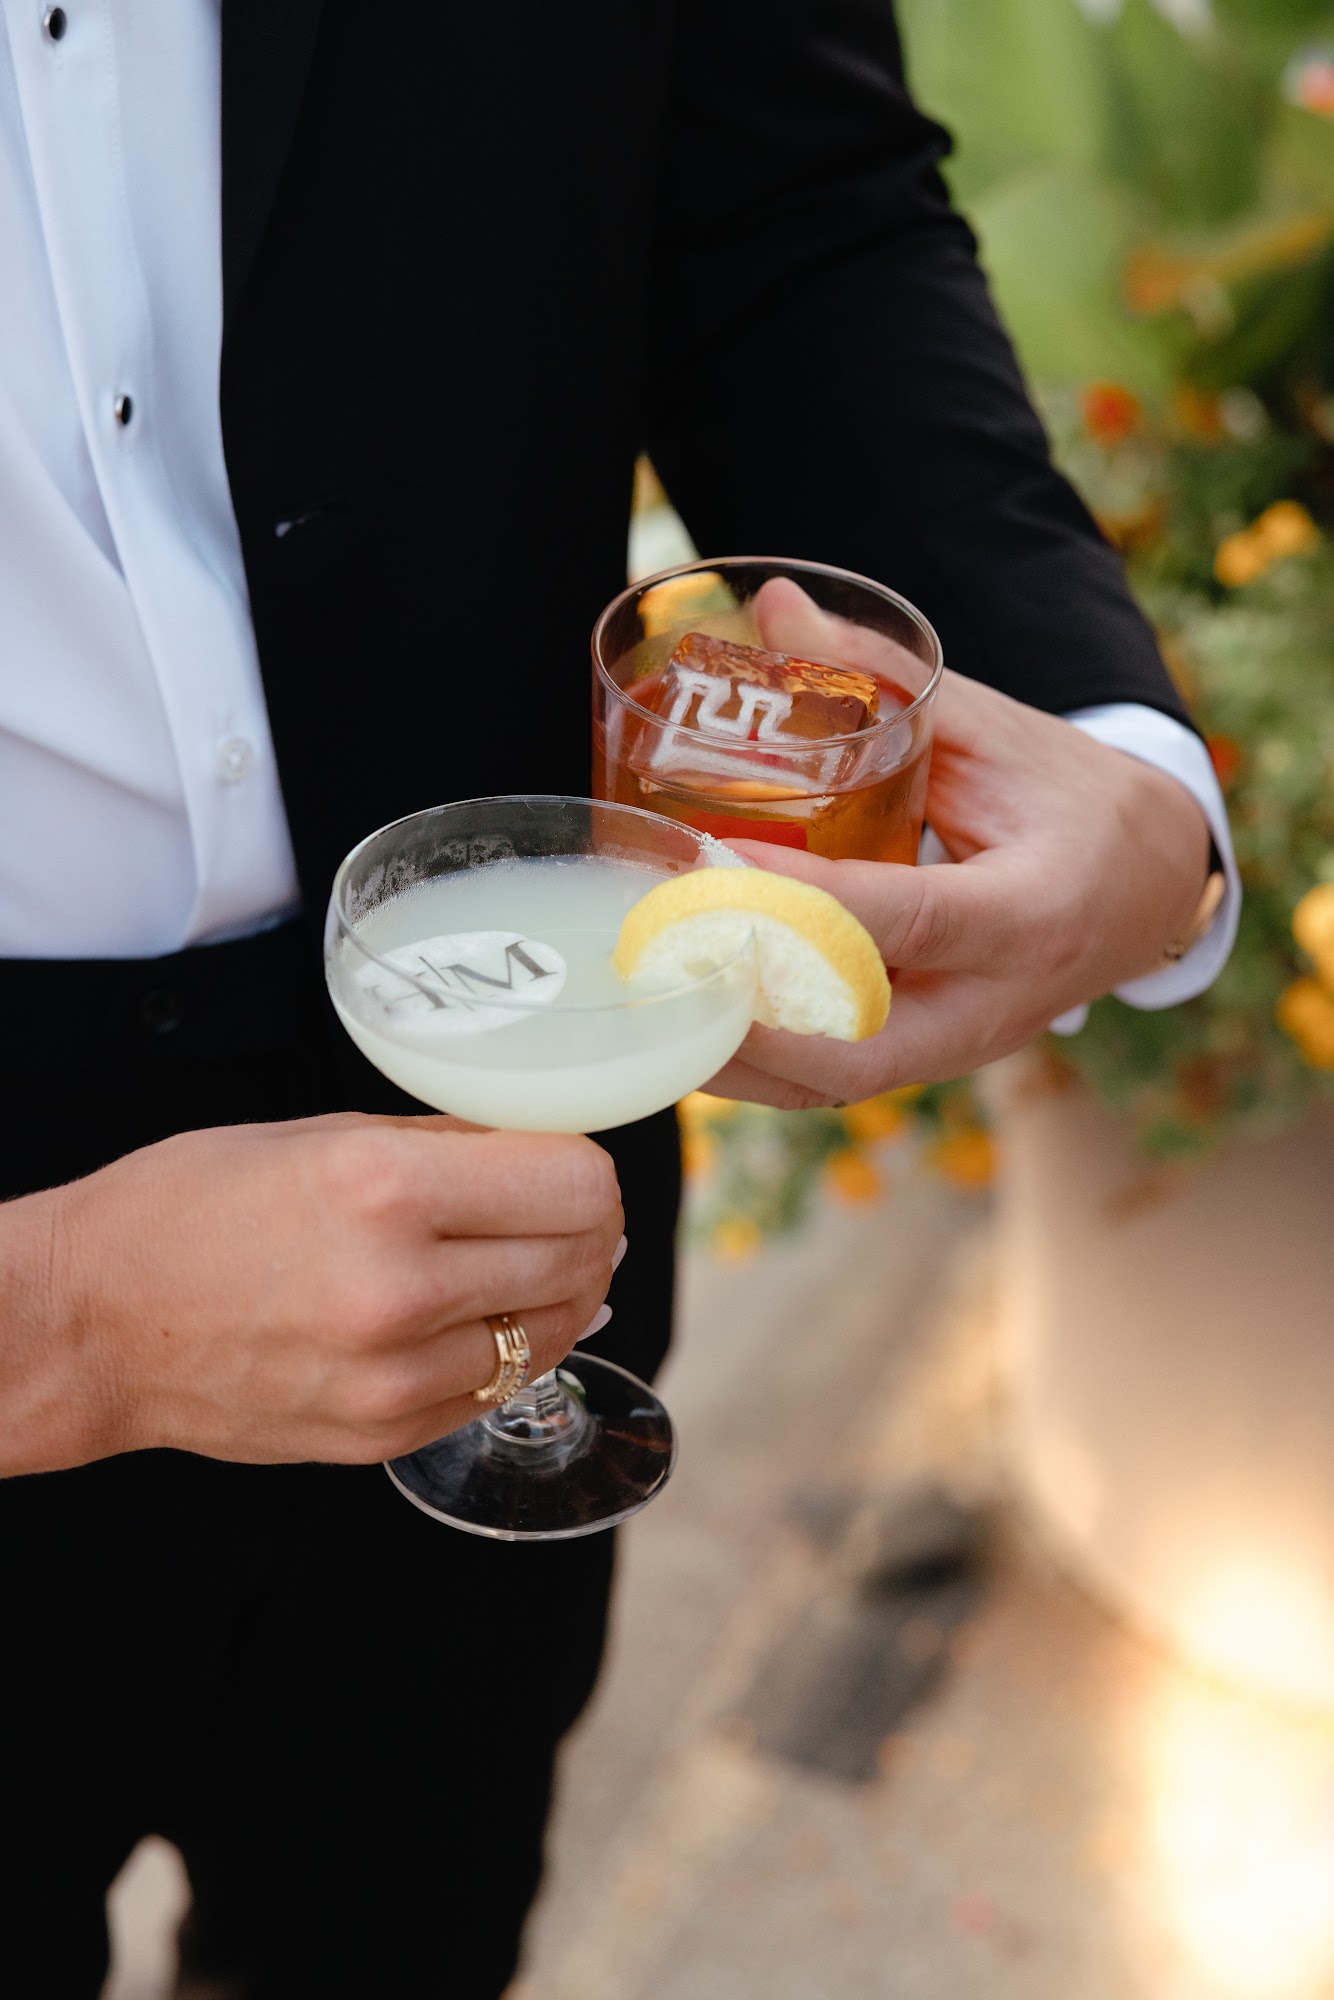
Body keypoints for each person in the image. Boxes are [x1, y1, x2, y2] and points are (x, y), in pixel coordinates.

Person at [0, 2, 1235, 1994]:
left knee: (407, 1926)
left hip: (508, 1120)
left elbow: (789, 210)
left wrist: (1119, 764)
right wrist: (59, 1320)